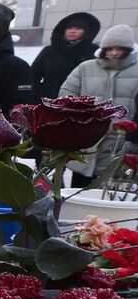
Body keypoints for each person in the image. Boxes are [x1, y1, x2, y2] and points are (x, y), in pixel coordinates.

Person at [59, 23, 138, 187]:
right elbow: (66, 98)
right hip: (86, 144)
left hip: (123, 145)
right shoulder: (85, 68)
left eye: (120, 48)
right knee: (80, 197)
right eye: (110, 48)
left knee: (115, 201)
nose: (114, 52)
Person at [33, 11, 101, 100]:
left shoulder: (94, 51)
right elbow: (33, 75)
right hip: (48, 99)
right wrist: (37, 93)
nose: (72, 31)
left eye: (78, 28)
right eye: (69, 28)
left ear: (86, 32)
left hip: (79, 100)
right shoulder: (49, 50)